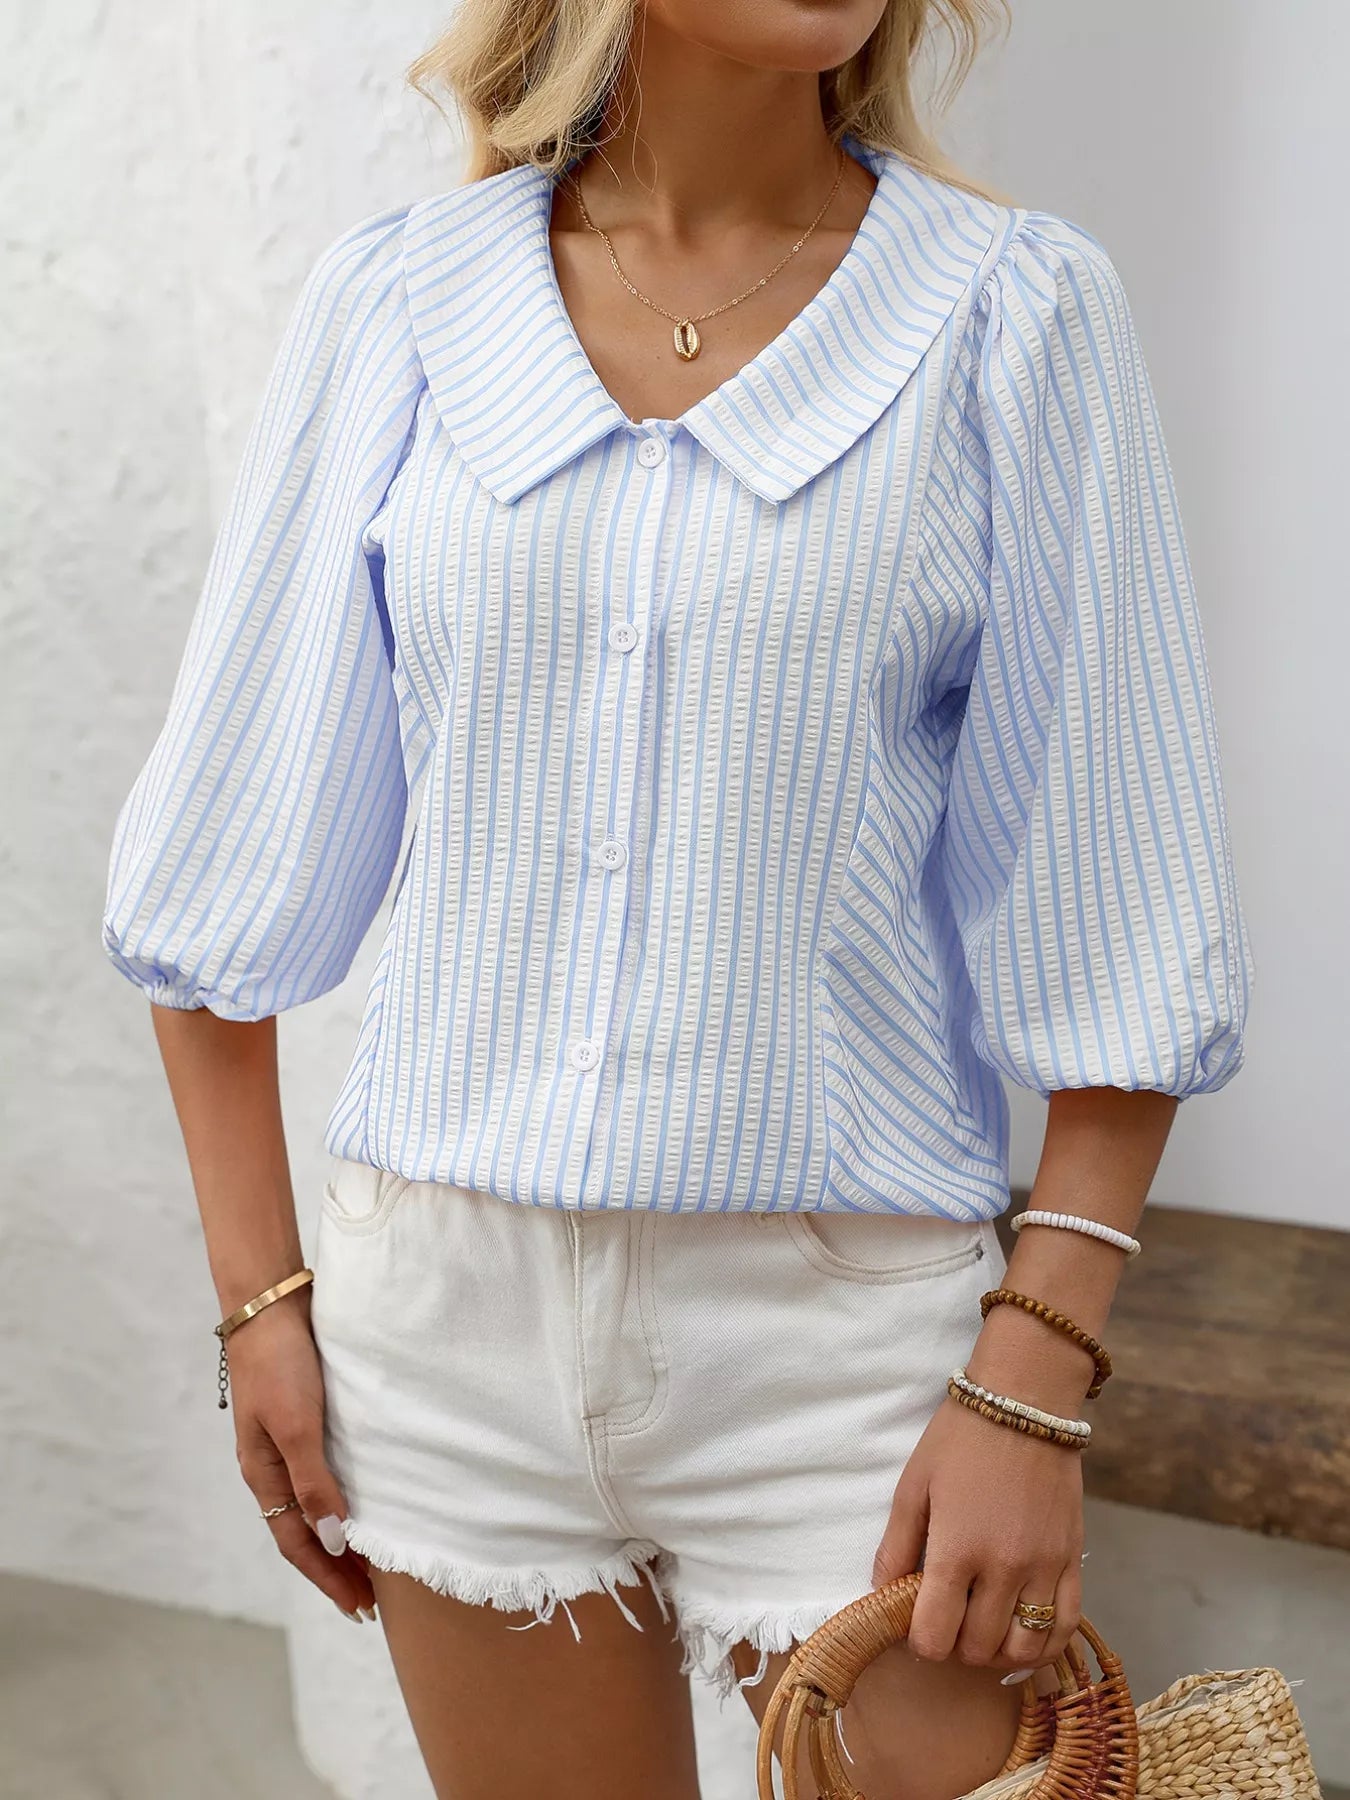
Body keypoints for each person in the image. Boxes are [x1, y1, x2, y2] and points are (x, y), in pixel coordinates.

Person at [101, 2, 1254, 1795]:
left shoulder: (1011, 314)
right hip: (444, 1325)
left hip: (844, 1351)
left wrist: (1030, 1378)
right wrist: (259, 1301)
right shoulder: (398, 302)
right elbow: (226, 856)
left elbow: (1119, 904)